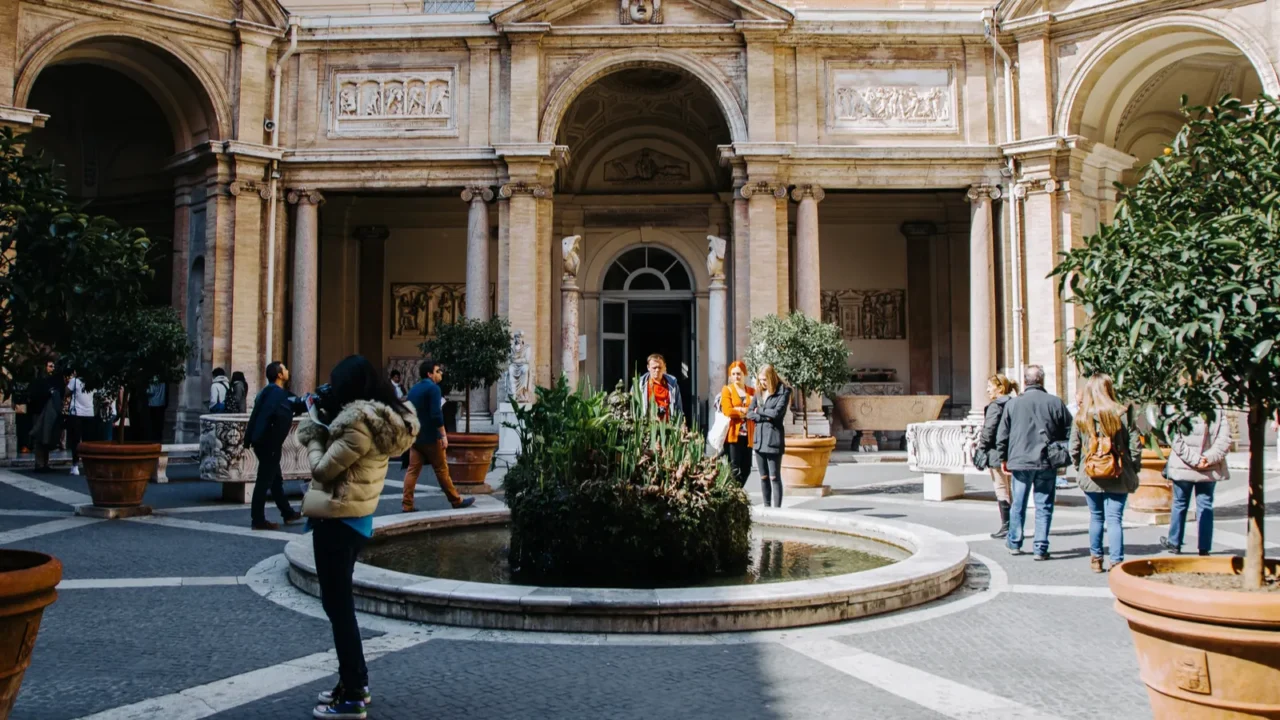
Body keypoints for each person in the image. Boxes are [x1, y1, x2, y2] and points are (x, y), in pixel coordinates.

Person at [295, 355, 419, 720]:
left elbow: (322, 469)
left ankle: (353, 693)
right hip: (354, 518)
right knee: (339, 607)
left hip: (338, 519)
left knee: (339, 609)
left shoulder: (357, 426)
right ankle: (352, 682)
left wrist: (314, 431)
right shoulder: (378, 420)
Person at [996, 364, 1072, 560]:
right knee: (1044, 505)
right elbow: (1070, 431)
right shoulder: (1055, 402)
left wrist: (1003, 458)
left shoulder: (1013, 404)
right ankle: (1040, 547)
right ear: (1042, 380)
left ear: (1025, 381)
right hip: (1046, 460)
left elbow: (1002, 435)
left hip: (1020, 461)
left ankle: (1014, 542)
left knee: (1018, 504)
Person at [1069, 374, 1140, 572]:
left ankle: (1096, 559)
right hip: (1118, 472)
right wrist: (1133, 468)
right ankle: (1116, 561)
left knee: (1096, 517)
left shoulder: (1081, 416)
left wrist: (1080, 467)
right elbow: (1135, 446)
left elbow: (1073, 447)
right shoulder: (1123, 414)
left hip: (1091, 473)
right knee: (1115, 519)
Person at [403, 360, 475, 512]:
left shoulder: (414, 389)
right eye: (437, 371)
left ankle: (407, 504)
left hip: (416, 436)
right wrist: (443, 435)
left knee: (412, 471)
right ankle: (456, 500)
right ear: (430, 374)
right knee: (441, 469)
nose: (440, 373)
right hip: (431, 437)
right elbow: (436, 414)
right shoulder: (434, 388)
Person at [1161, 413, 1231, 556]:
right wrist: (1207, 458)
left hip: (1183, 465)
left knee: (1180, 503)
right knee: (1205, 505)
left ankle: (1174, 542)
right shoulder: (1217, 410)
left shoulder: (1180, 408)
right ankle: (1204, 547)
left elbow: (1173, 436)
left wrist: (1194, 459)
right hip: (1208, 467)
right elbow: (1224, 439)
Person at [244, 361, 302, 530]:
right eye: (285, 369)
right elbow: (286, 409)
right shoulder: (277, 394)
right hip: (268, 443)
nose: (288, 370)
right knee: (264, 481)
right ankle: (258, 520)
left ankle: (287, 513)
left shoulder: (267, 392)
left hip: (262, 442)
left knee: (275, 479)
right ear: (279, 375)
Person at [978, 374, 1018, 538]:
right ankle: (1014, 524)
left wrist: (981, 448)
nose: (987, 390)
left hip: (996, 452)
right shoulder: (1015, 403)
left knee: (1001, 489)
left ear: (1000, 388)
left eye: (990, 386)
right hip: (1014, 452)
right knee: (1011, 489)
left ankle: (1007, 526)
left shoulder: (996, 406)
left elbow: (989, 430)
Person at [747, 364, 791, 508]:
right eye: (760, 380)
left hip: (773, 438)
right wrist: (764, 416)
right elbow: (749, 413)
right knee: (763, 476)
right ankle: (767, 506)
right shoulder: (758, 392)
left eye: (765, 380)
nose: (762, 383)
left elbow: (777, 414)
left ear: (771, 377)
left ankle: (777, 509)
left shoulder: (784, 391)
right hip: (759, 439)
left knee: (774, 476)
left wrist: (759, 410)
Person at [719, 360, 755, 487]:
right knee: (734, 468)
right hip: (733, 435)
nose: (736, 377)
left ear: (744, 374)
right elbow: (727, 410)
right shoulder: (727, 390)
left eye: (739, 374)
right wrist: (744, 412)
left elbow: (756, 410)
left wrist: (739, 409)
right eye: (733, 374)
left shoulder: (751, 391)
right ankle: (735, 492)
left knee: (746, 469)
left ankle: (737, 490)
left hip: (748, 436)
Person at [28, 360, 63, 473]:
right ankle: (39, 463)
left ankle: (45, 463)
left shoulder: (52, 380)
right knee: (39, 436)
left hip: (48, 412)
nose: (52, 368)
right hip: (39, 411)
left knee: (46, 436)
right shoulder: (39, 381)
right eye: (50, 366)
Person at [66, 371, 97, 475]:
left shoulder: (74, 381)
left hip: (76, 413)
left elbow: (66, 392)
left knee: (75, 440)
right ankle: (88, 465)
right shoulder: (93, 382)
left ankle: (75, 465)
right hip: (89, 413)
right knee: (87, 441)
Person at [642, 354, 683, 421]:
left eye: (660, 367)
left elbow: (678, 408)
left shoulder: (672, 385)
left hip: (668, 424)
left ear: (664, 367)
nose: (657, 370)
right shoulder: (641, 385)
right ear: (648, 367)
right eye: (654, 368)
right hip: (648, 424)